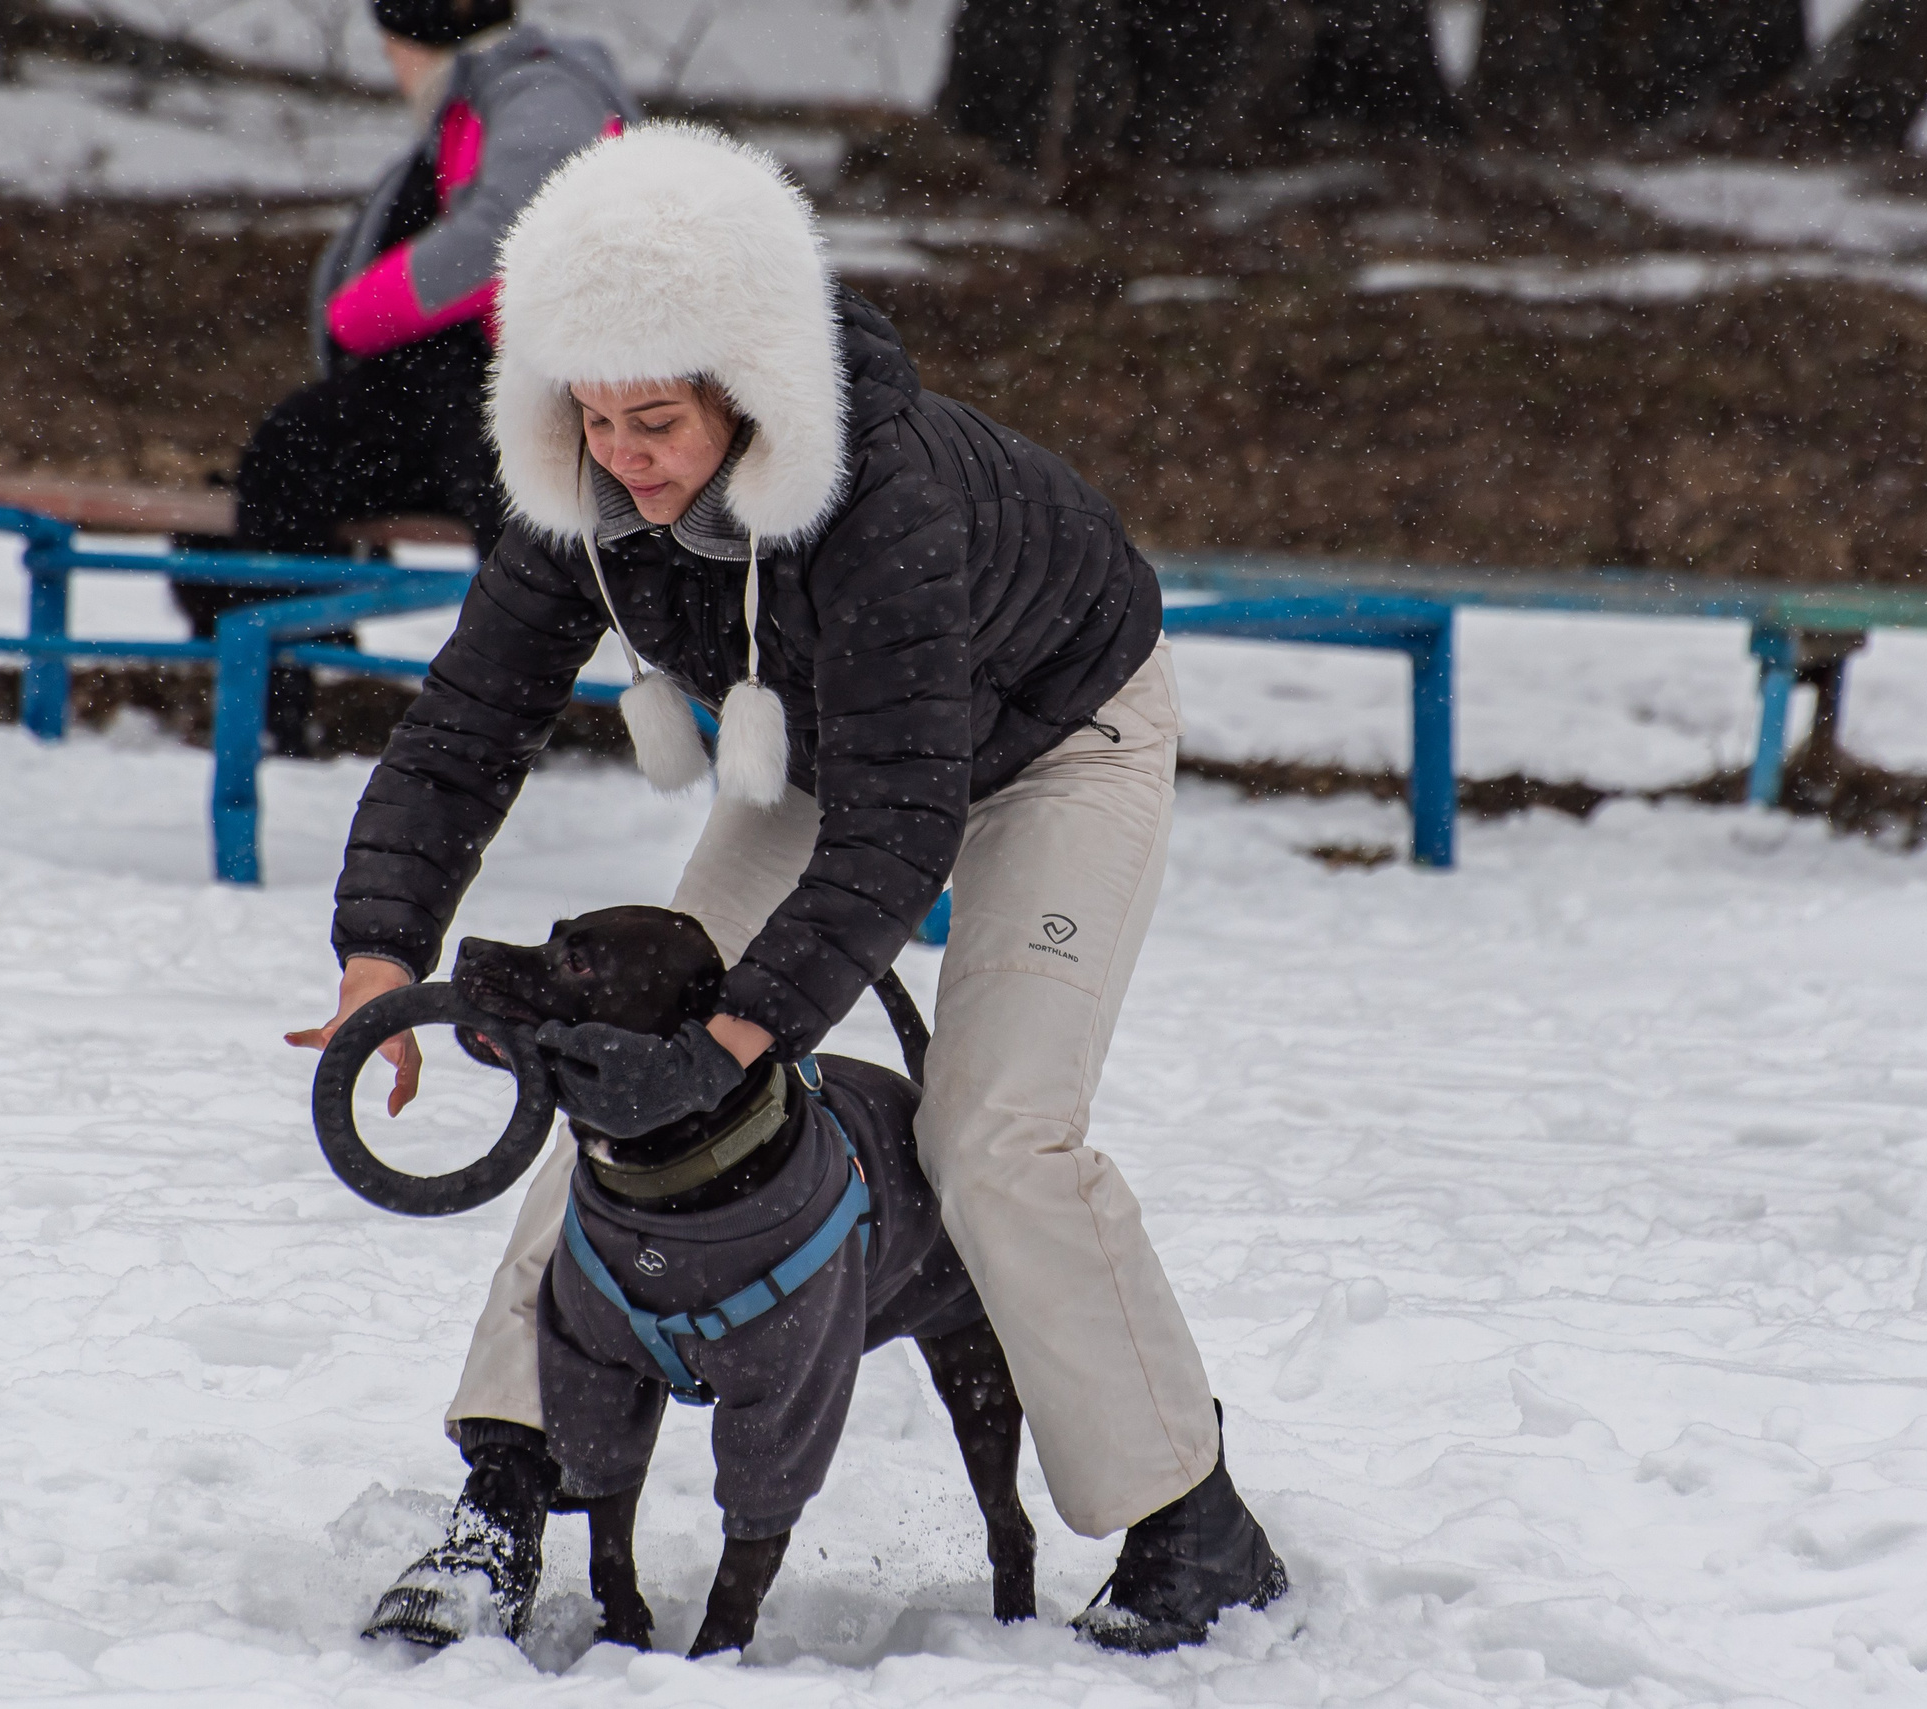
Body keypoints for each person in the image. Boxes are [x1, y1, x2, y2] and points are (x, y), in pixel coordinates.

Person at [292, 123, 1288, 1655]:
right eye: (596, 413)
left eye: (662, 418)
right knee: (609, 1074)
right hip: (830, 739)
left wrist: (748, 1032)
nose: (625, 451)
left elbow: (903, 824)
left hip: (1057, 740)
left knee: (990, 1130)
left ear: (748, 388)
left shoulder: (884, 498)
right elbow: (464, 725)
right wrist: (377, 952)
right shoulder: (579, 489)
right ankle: (506, 1487)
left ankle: (1192, 1522)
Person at [174, 0, 635, 755]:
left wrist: (363, 312)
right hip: (451, 396)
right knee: (287, 464)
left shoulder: (544, 92)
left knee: (516, 530)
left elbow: (512, 232)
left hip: (535, 396)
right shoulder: (482, 98)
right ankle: (294, 699)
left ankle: (499, 729)